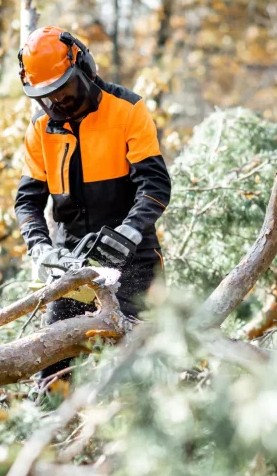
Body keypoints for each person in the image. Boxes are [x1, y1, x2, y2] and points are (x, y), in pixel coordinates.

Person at [14, 26, 171, 378]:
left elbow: (155, 184)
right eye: (48, 97)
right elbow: (27, 201)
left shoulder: (127, 110)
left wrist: (129, 231)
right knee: (55, 370)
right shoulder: (40, 130)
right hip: (72, 265)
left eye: (64, 90)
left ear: (84, 67)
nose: (59, 103)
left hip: (134, 261)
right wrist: (40, 249)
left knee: (146, 370)